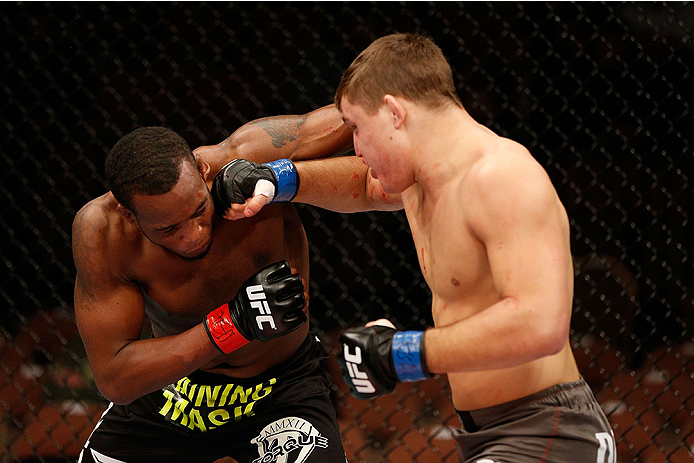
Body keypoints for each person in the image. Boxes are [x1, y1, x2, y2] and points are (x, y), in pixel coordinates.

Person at [229, 33, 618, 463]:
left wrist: (401, 354)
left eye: (357, 127)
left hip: (551, 431)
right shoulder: (419, 181)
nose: (355, 147)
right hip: (492, 434)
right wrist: (280, 178)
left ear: (395, 112)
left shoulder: (501, 178)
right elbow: (362, 185)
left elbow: (540, 324)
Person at [71, 104, 401, 462]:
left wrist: (277, 177)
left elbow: (364, 117)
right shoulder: (103, 233)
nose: (193, 235)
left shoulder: (249, 157)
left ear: (201, 170)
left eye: (199, 210)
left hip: (281, 387)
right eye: (168, 230)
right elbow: (114, 377)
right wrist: (235, 322)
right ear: (127, 212)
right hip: (178, 391)